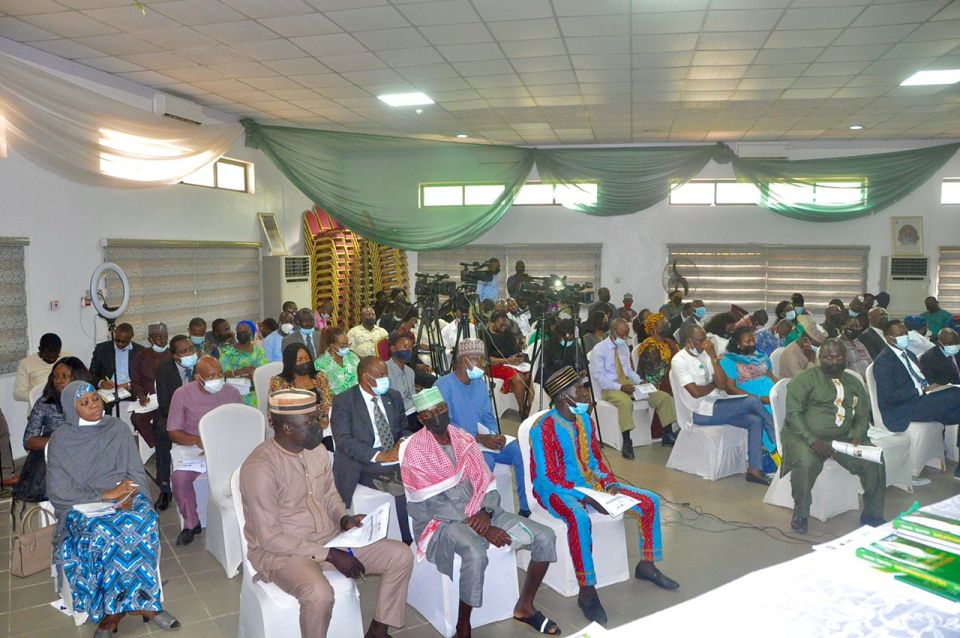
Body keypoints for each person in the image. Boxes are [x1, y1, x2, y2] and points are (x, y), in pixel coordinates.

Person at [240, 389, 413, 638]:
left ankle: (378, 630)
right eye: (309, 422)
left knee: (400, 555)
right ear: (287, 428)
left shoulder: (316, 450)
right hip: (283, 553)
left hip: (330, 538)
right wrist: (330, 555)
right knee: (319, 595)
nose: (318, 427)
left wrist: (344, 520)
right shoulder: (260, 468)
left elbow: (331, 495)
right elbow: (270, 538)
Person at [402, 388, 559, 637]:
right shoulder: (415, 450)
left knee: (545, 536)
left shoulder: (464, 439)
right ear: (421, 419)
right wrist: (481, 528)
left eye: (440, 409)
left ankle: (525, 606)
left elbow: (486, 482)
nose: (437, 416)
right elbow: (434, 505)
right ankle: (463, 625)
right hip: (442, 523)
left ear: (447, 408)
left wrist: (486, 512)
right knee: (474, 551)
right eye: (429, 413)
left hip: (484, 510)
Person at [530, 367, 678, 626]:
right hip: (555, 490)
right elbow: (546, 477)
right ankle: (587, 591)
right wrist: (584, 496)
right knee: (579, 518)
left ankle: (647, 565)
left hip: (592, 485)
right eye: (581, 389)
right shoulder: (543, 428)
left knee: (649, 501)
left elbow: (596, 462)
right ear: (564, 398)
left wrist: (608, 484)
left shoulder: (586, 420)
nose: (587, 394)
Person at [47, 381, 180, 637]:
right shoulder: (62, 440)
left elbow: (136, 472)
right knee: (106, 532)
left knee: (140, 521)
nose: (94, 405)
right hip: (82, 506)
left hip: (124, 495)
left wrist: (133, 494)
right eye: (84, 403)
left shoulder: (117, 429)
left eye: (95, 398)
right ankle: (111, 612)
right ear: (71, 409)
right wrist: (104, 495)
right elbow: (59, 492)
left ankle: (145, 603)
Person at [781, 339, 886, 534]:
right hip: (802, 436)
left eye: (839, 357)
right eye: (828, 357)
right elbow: (793, 415)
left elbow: (862, 415)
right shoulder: (803, 380)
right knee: (805, 463)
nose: (834, 361)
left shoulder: (854, 382)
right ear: (820, 358)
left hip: (844, 437)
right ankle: (801, 513)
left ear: (846, 358)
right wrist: (813, 441)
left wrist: (857, 435)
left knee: (875, 458)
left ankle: (873, 513)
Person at [436, 338, 530, 515]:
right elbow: (444, 426)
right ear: (465, 360)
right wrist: (477, 438)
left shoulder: (479, 384)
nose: (483, 364)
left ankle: (525, 508)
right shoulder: (443, 386)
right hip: (460, 445)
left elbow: (488, 415)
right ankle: (484, 513)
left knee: (519, 452)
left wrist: (495, 435)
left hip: (485, 440)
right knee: (485, 461)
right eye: (479, 359)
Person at [672, 325, 776, 485]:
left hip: (717, 403)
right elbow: (696, 392)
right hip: (699, 411)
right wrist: (713, 384)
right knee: (753, 400)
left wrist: (713, 357)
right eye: (701, 340)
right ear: (689, 342)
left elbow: (721, 384)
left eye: (706, 338)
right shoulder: (679, 360)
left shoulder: (706, 355)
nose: (706, 343)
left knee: (755, 420)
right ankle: (775, 437)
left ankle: (754, 471)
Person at [331, 356, 414, 542]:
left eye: (386, 373)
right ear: (365, 377)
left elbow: (405, 428)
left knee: (424, 473)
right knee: (400, 487)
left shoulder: (393, 396)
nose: (386, 378)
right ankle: (407, 540)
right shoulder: (344, 401)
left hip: (395, 455)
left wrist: (401, 442)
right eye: (381, 375)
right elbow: (343, 441)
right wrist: (379, 456)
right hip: (363, 460)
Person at [167, 356, 242, 545]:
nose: (217, 379)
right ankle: (191, 523)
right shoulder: (182, 394)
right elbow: (173, 432)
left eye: (220, 374)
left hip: (226, 447)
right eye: (211, 376)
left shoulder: (232, 392)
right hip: (194, 447)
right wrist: (197, 441)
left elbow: (241, 423)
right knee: (179, 479)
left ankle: (245, 516)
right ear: (197, 378)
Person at [593, 318, 677, 459]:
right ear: (613, 332)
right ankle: (627, 441)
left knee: (663, 397)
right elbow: (600, 378)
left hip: (628, 384)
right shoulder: (599, 349)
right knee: (625, 402)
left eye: (627, 335)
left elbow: (628, 370)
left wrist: (640, 380)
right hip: (610, 387)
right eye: (622, 336)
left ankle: (667, 434)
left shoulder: (624, 346)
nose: (625, 338)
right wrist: (620, 387)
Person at [873, 321, 960, 451]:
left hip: (923, 400)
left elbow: (920, 379)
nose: (905, 337)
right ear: (888, 337)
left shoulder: (910, 355)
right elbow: (889, 397)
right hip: (904, 409)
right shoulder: (883, 361)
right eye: (900, 334)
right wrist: (920, 390)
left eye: (906, 333)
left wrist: (932, 387)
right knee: (956, 392)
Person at [14, 357, 91, 503]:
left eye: (64, 376)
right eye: (55, 376)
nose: (58, 381)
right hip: (55, 454)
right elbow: (29, 441)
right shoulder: (45, 403)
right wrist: (60, 439)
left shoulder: (90, 400)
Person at [153, 335, 197, 511]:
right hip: (173, 414)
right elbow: (164, 403)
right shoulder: (164, 370)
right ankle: (164, 487)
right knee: (162, 431)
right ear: (175, 356)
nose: (189, 354)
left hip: (200, 414)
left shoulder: (203, 365)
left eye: (191, 349)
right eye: (184, 351)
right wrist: (184, 419)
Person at [270, 342, 334, 435]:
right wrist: (314, 424)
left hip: (325, 426)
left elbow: (328, 403)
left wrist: (325, 418)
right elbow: (280, 414)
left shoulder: (320, 377)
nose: (305, 362)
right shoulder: (279, 382)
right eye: (299, 360)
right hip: (295, 431)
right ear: (290, 362)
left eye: (307, 358)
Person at [129, 323, 172, 448]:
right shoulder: (141, 357)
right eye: (158, 337)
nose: (162, 340)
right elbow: (135, 380)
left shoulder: (172, 355)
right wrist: (141, 396)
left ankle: (166, 444)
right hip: (149, 399)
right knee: (137, 418)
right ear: (150, 339)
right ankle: (156, 446)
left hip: (169, 399)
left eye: (165, 337)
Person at [720, 326, 777, 407]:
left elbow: (771, 376)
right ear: (738, 344)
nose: (752, 343)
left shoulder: (759, 357)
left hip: (771, 397)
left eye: (753, 340)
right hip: (752, 402)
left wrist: (783, 388)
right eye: (748, 341)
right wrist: (758, 399)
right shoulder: (729, 360)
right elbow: (730, 389)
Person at [634, 343, 678, 446]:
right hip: (622, 386)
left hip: (635, 382)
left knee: (665, 396)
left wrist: (639, 381)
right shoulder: (649, 345)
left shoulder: (667, 341)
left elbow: (630, 372)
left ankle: (668, 434)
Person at [89, 322, 143, 401]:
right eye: (117, 340)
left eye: (124, 341)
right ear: (114, 334)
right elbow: (91, 374)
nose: (120, 344)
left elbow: (145, 377)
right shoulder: (101, 349)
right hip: (108, 392)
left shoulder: (140, 351)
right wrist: (101, 383)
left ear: (131, 337)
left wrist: (129, 385)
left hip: (132, 392)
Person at [219, 320, 268, 407]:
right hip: (234, 394)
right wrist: (240, 372)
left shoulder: (259, 351)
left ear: (251, 333)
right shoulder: (227, 352)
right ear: (236, 334)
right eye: (240, 331)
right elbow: (224, 375)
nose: (242, 333)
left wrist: (254, 373)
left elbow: (263, 371)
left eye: (245, 331)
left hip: (255, 393)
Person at [14, 332, 67, 402]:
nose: (52, 360)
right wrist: (40, 394)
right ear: (39, 349)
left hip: (64, 405)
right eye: (47, 356)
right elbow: (18, 394)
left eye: (56, 356)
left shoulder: (67, 358)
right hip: (40, 407)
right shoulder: (26, 364)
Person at [385, 332, 419, 431]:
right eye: (404, 346)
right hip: (397, 416)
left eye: (410, 348)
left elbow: (413, 396)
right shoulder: (385, 370)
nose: (408, 350)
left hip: (413, 412)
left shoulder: (410, 371)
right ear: (393, 349)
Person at [316, 327, 360, 396]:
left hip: (358, 397)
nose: (347, 348)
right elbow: (323, 391)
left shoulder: (352, 357)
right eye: (343, 346)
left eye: (348, 344)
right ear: (332, 346)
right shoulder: (320, 364)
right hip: (336, 403)